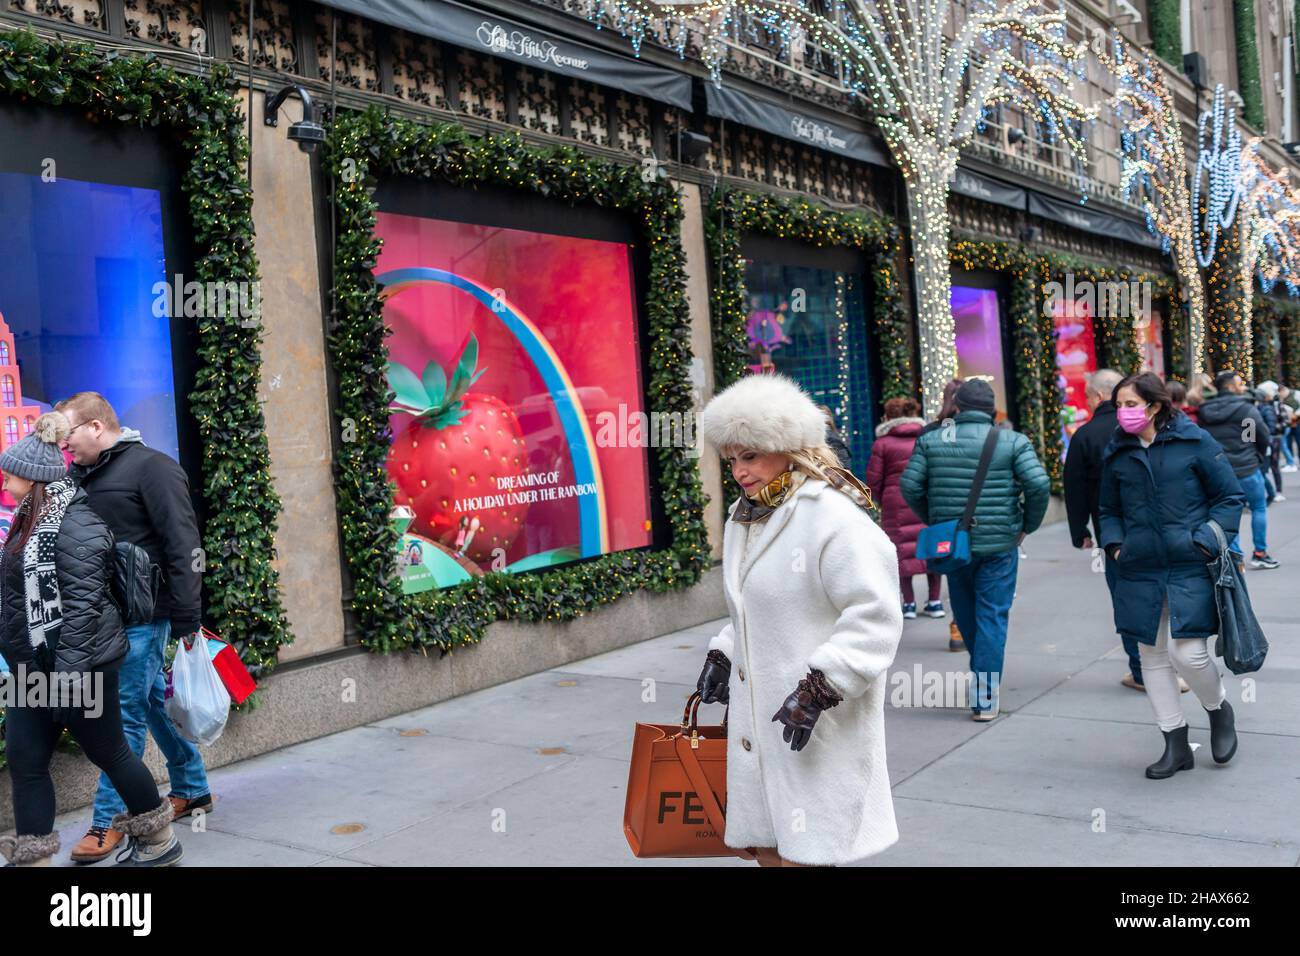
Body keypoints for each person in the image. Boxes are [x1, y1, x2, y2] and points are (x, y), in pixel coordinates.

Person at [694, 373, 903, 866]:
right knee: (769, 848)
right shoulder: (747, 517)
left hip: (816, 723)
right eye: (731, 460)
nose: (740, 472)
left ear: (786, 447)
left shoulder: (832, 517)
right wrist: (726, 652)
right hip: (762, 724)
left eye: (750, 455)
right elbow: (752, 604)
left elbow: (877, 615)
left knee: (807, 852)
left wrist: (824, 684)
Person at [0, 413, 182, 867]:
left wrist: (66, 678)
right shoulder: (25, 521)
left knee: (110, 752)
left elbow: (82, 610)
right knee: (26, 761)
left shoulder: (77, 525)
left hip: (81, 666)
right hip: (30, 666)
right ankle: (34, 858)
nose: (3, 478)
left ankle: (159, 839)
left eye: (9, 472)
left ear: (34, 478)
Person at [53, 393, 214, 863]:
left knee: (120, 717)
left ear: (97, 427)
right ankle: (193, 787)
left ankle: (110, 821)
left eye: (70, 435)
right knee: (146, 703)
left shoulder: (153, 468)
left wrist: (188, 615)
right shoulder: (80, 475)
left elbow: (183, 542)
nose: (66, 446)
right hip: (102, 618)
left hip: (145, 617)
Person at [1098, 373, 1245, 779]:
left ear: (1155, 405)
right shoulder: (1118, 452)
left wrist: (1206, 541)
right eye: (1119, 405)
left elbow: (1230, 497)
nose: (1123, 412)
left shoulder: (1194, 442)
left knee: (1189, 653)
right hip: (1139, 567)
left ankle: (1218, 710)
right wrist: (1115, 546)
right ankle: (1174, 743)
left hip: (1190, 563)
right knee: (1152, 657)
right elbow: (1108, 509)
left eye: (1131, 404)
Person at [900, 379, 1051, 720]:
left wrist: (937, 520)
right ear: (991, 409)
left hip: (953, 544)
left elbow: (909, 485)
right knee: (993, 615)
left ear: (957, 407)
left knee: (966, 611)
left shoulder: (931, 440)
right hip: (1000, 544)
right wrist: (1027, 524)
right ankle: (985, 695)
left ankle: (980, 674)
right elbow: (1039, 484)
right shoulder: (1013, 441)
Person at [866, 397, 943, 620]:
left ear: (889, 417)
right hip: (925, 499)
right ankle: (935, 601)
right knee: (931, 549)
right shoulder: (927, 437)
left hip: (894, 502)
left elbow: (874, 479)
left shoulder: (882, 444)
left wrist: (881, 500)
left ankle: (908, 604)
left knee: (900, 552)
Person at [1197, 371, 1278, 569]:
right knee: (1258, 507)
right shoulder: (1245, 410)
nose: (1242, 387)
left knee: (1228, 513)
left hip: (1219, 470)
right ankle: (1260, 553)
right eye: (1240, 383)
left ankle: (1235, 557)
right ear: (1232, 387)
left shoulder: (1205, 411)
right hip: (1246, 468)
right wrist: (1255, 456)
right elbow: (1256, 437)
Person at [921, 378, 966, 651]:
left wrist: (928, 512)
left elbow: (915, 482)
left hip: (944, 518)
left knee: (956, 573)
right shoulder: (983, 430)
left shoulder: (930, 432)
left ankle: (959, 625)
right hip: (981, 515)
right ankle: (966, 624)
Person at [1256, 381, 1284, 499]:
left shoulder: (1266, 408)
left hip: (1271, 441)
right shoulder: (1262, 408)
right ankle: (1273, 493)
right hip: (1268, 440)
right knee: (1265, 468)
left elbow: (1271, 428)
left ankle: (1276, 492)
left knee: (1272, 466)